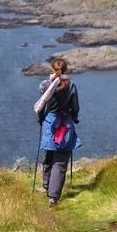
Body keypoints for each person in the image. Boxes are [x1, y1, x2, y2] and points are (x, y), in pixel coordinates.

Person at [33, 58, 81, 206]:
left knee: (49, 154)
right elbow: (75, 107)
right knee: (60, 160)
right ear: (65, 70)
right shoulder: (71, 85)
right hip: (64, 123)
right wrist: (74, 117)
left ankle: (47, 186)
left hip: (50, 122)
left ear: (52, 69)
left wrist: (41, 120)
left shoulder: (45, 85)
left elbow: (42, 106)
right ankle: (53, 196)